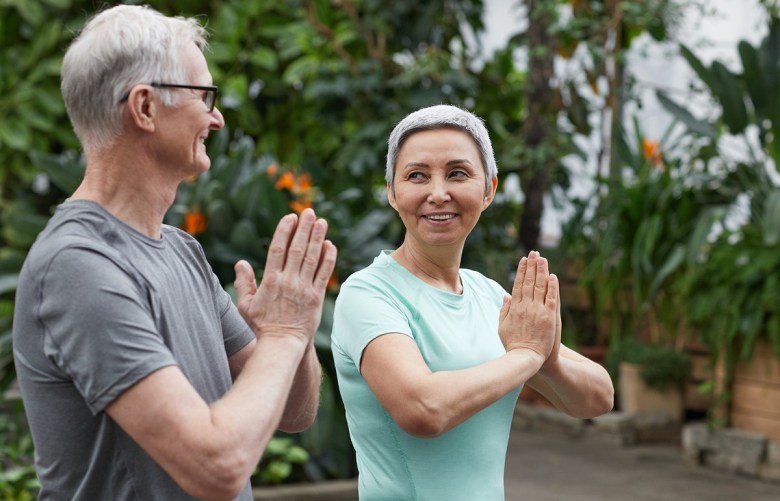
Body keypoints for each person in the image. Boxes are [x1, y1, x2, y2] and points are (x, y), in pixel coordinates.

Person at [11, 5, 337, 500]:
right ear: (144, 108)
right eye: (205, 96)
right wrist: (286, 333)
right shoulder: (76, 265)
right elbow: (217, 466)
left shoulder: (182, 250)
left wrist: (293, 327)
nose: (218, 117)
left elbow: (295, 413)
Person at [331, 104, 614, 500]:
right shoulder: (369, 294)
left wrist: (547, 359)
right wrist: (526, 356)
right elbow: (423, 409)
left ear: (489, 190)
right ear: (393, 194)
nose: (438, 193)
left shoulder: (488, 295)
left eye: (458, 173)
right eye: (417, 176)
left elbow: (598, 398)